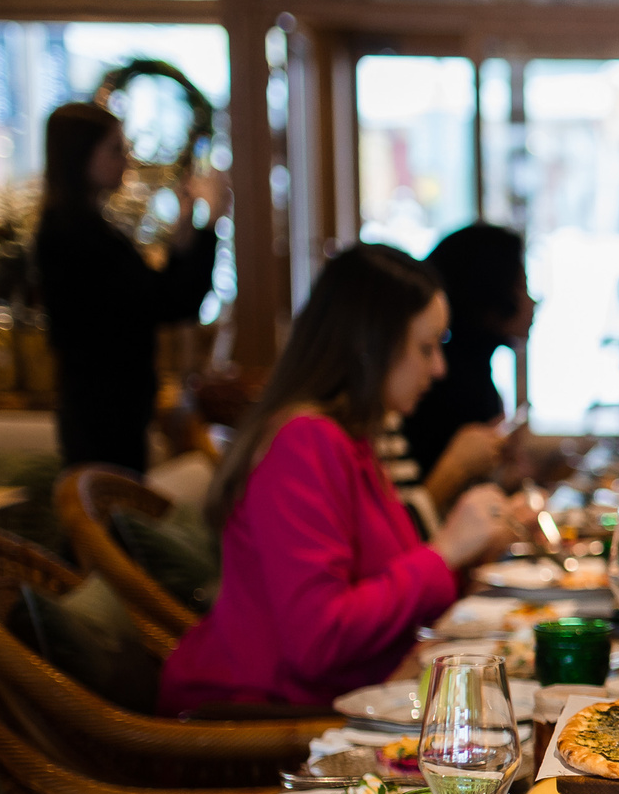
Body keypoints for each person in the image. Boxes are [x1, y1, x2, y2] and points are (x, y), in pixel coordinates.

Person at [159, 245, 518, 715]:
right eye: (426, 347)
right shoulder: (304, 442)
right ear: (372, 345)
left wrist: (476, 550)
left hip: (339, 698)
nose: (438, 368)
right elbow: (317, 640)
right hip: (253, 718)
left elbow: (389, 593)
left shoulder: (353, 439)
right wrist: (446, 549)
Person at [33, 101, 225, 474]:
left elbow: (155, 297)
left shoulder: (78, 228)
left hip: (105, 408)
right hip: (104, 412)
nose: (127, 158)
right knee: (112, 515)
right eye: (115, 148)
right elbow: (169, 303)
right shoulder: (76, 236)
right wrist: (211, 221)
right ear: (81, 154)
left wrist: (186, 231)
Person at [401, 222, 532, 511]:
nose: (438, 367)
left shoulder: (476, 372)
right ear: (491, 291)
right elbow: (402, 533)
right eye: (522, 285)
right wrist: (457, 465)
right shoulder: (436, 389)